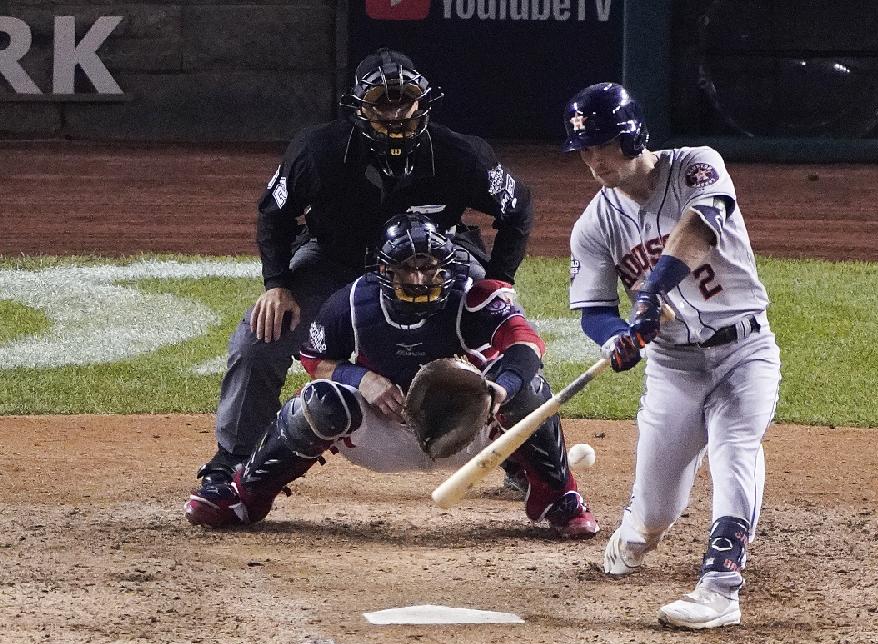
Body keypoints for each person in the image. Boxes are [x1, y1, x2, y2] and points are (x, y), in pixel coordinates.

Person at [194, 47, 534, 502]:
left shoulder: (459, 154)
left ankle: (523, 456)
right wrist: (276, 284)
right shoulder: (317, 151)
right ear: (360, 106)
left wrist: (500, 279)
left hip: (435, 262)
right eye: (382, 102)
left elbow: (518, 208)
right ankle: (233, 464)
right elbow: (273, 215)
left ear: (423, 102)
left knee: (503, 330)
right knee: (260, 341)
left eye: (404, 101)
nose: (395, 113)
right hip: (335, 259)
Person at [185, 214, 599, 539]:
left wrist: (498, 388)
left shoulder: (474, 295)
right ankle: (247, 494)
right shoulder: (351, 301)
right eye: (407, 268)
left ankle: (559, 496)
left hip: (467, 429)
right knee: (319, 402)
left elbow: (528, 347)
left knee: (531, 390)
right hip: (383, 435)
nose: (419, 279)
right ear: (385, 270)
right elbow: (314, 359)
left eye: (429, 267)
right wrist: (360, 377)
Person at [561, 82, 781, 628]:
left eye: (602, 145)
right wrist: (616, 337)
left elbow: (700, 230)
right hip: (674, 367)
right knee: (656, 511)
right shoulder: (595, 225)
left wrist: (651, 290)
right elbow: (592, 309)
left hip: (744, 349)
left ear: (632, 136)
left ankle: (720, 587)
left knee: (736, 448)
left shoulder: (696, 167)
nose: (593, 160)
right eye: (584, 150)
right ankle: (635, 532)